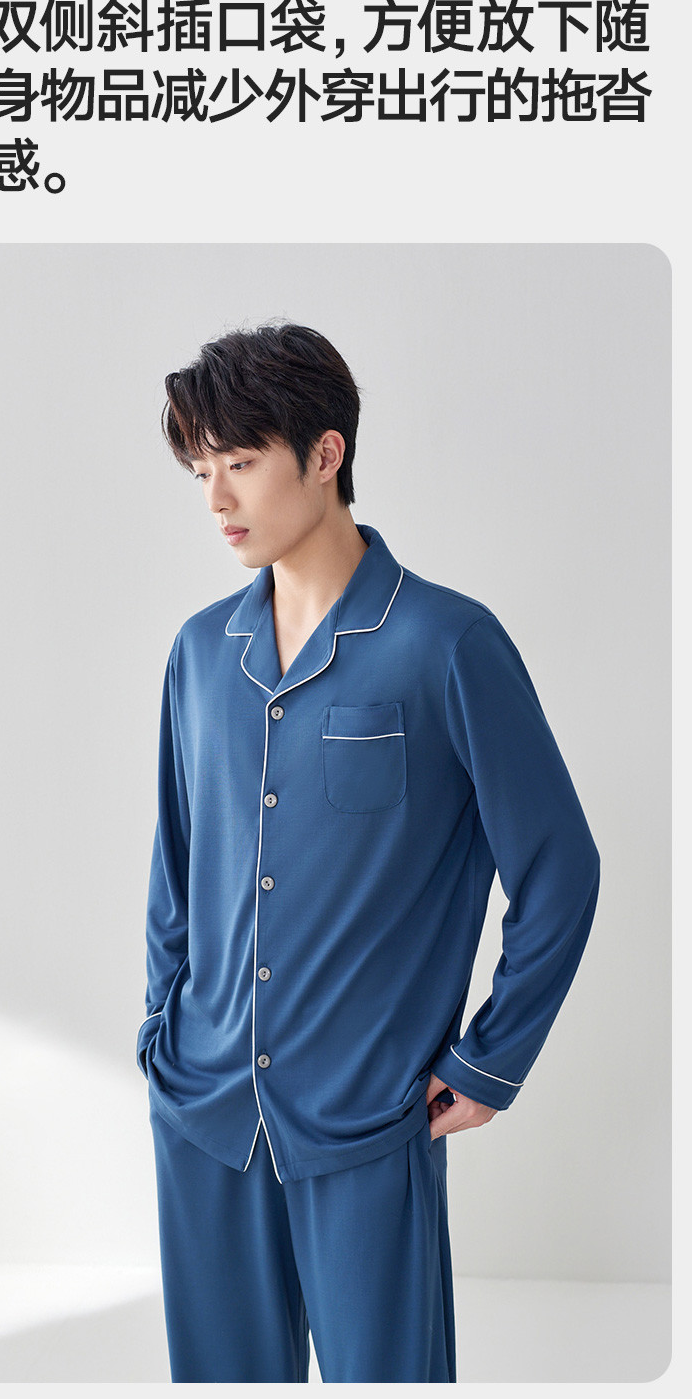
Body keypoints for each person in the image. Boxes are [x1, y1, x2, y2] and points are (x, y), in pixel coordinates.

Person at [137, 321, 600, 1383]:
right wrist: (163, 1031)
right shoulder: (200, 653)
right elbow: (176, 868)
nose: (216, 500)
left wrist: (489, 1062)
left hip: (366, 1117)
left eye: (240, 463)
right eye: (203, 471)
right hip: (203, 1109)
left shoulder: (448, 644)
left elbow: (560, 868)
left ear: (326, 453)